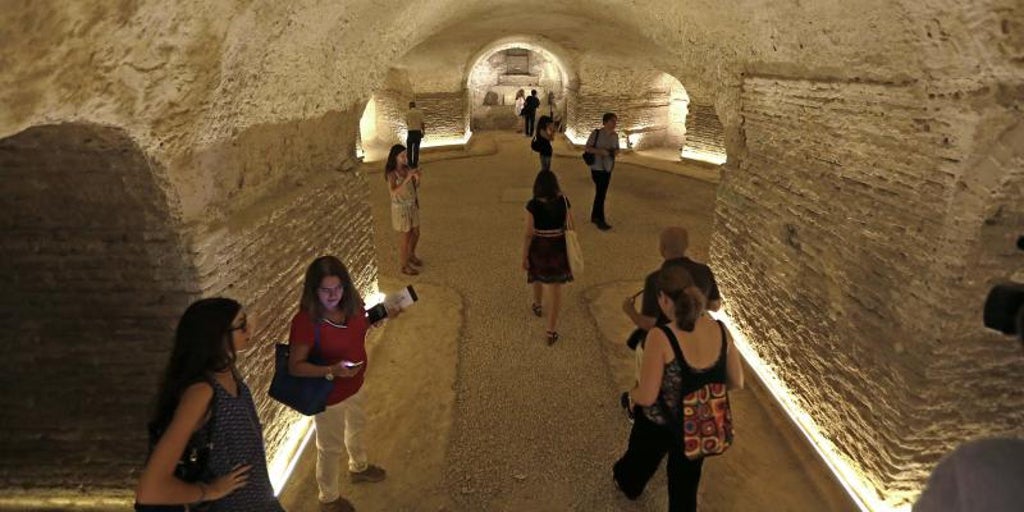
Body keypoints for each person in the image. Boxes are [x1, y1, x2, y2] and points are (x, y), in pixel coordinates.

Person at [613, 265, 744, 511]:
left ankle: (628, 484)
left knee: (638, 462)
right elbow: (737, 381)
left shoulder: (661, 337)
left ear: (663, 299)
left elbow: (648, 394)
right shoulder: (720, 329)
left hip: (661, 422)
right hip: (698, 424)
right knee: (685, 486)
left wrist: (631, 395)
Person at [135, 298, 283, 511]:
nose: (249, 329)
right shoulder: (201, 393)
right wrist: (210, 491)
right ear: (217, 337)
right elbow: (150, 489)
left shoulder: (229, 371)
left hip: (260, 501)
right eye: (241, 325)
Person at [288, 256, 393, 512]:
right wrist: (331, 370)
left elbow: (360, 326)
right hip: (329, 395)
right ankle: (329, 498)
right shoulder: (305, 321)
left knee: (356, 427)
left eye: (338, 287)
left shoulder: (352, 303)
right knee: (329, 447)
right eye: (326, 290)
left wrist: (375, 320)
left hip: (355, 384)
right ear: (314, 290)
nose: (333, 295)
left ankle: (359, 467)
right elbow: (295, 366)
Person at [522, 170, 574, 345]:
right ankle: (551, 330)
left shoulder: (532, 205)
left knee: (536, 276)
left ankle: (537, 304)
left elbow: (529, 233)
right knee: (555, 290)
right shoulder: (564, 202)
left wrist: (524, 255)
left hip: (539, 247)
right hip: (558, 247)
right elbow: (571, 225)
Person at [385, 144, 423, 276]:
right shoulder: (392, 174)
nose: (405, 157)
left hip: (412, 205)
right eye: (402, 156)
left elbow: (415, 187)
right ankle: (404, 265)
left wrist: (418, 178)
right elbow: (394, 192)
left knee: (416, 232)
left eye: (406, 154)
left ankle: (411, 254)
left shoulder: (408, 169)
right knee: (405, 238)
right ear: (395, 158)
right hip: (401, 209)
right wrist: (407, 178)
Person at [584, 112, 620, 231]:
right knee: (601, 193)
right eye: (612, 121)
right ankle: (600, 220)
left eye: (615, 121)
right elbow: (587, 148)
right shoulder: (597, 133)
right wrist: (600, 152)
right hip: (597, 167)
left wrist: (615, 152)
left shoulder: (615, 136)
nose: (614, 123)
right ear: (605, 122)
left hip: (608, 167)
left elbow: (617, 149)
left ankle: (595, 217)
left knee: (601, 193)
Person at [405, 101, 425, 168]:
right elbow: (422, 123)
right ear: (415, 106)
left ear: (410, 106)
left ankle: (410, 163)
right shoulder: (419, 113)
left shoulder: (407, 113)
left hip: (410, 132)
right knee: (416, 149)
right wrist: (423, 131)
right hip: (417, 132)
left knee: (409, 149)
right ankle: (415, 164)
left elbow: (407, 123)